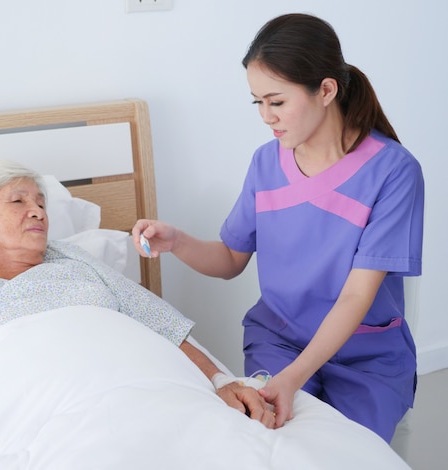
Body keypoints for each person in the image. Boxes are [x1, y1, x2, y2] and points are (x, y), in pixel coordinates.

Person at [0, 160, 275, 469]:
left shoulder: (84, 269)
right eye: (18, 201)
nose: (37, 211)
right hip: (47, 410)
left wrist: (220, 381)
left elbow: (164, 328)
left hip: (144, 388)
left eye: (40, 202)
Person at [132, 13, 424, 443]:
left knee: (346, 451)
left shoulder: (393, 171)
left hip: (366, 356)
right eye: (258, 102)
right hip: (280, 340)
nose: (266, 116)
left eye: (277, 101)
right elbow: (231, 259)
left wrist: (292, 378)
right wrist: (177, 241)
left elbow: (356, 295)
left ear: (326, 90)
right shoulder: (266, 163)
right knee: (277, 442)